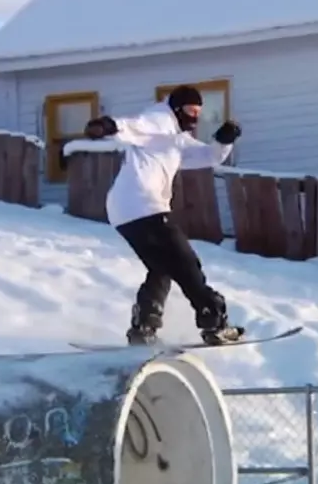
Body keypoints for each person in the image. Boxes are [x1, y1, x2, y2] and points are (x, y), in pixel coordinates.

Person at [83, 85, 244, 346]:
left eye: (199, 112)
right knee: (185, 262)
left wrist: (223, 141)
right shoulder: (159, 119)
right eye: (191, 111)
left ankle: (144, 327)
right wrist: (107, 125)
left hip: (125, 210)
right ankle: (213, 320)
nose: (195, 117)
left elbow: (207, 157)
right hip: (143, 205)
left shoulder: (175, 139)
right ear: (177, 108)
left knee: (162, 267)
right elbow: (135, 125)